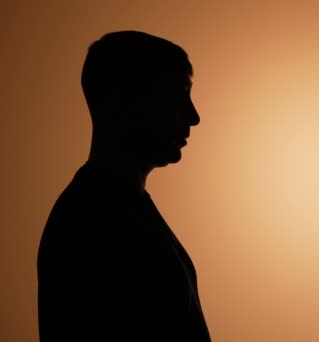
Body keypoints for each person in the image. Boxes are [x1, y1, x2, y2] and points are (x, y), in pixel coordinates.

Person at [37, 31, 211, 341]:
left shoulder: (117, 208)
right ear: (128, 99)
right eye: (177, 94)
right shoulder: (93, 220)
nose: (193, 116)